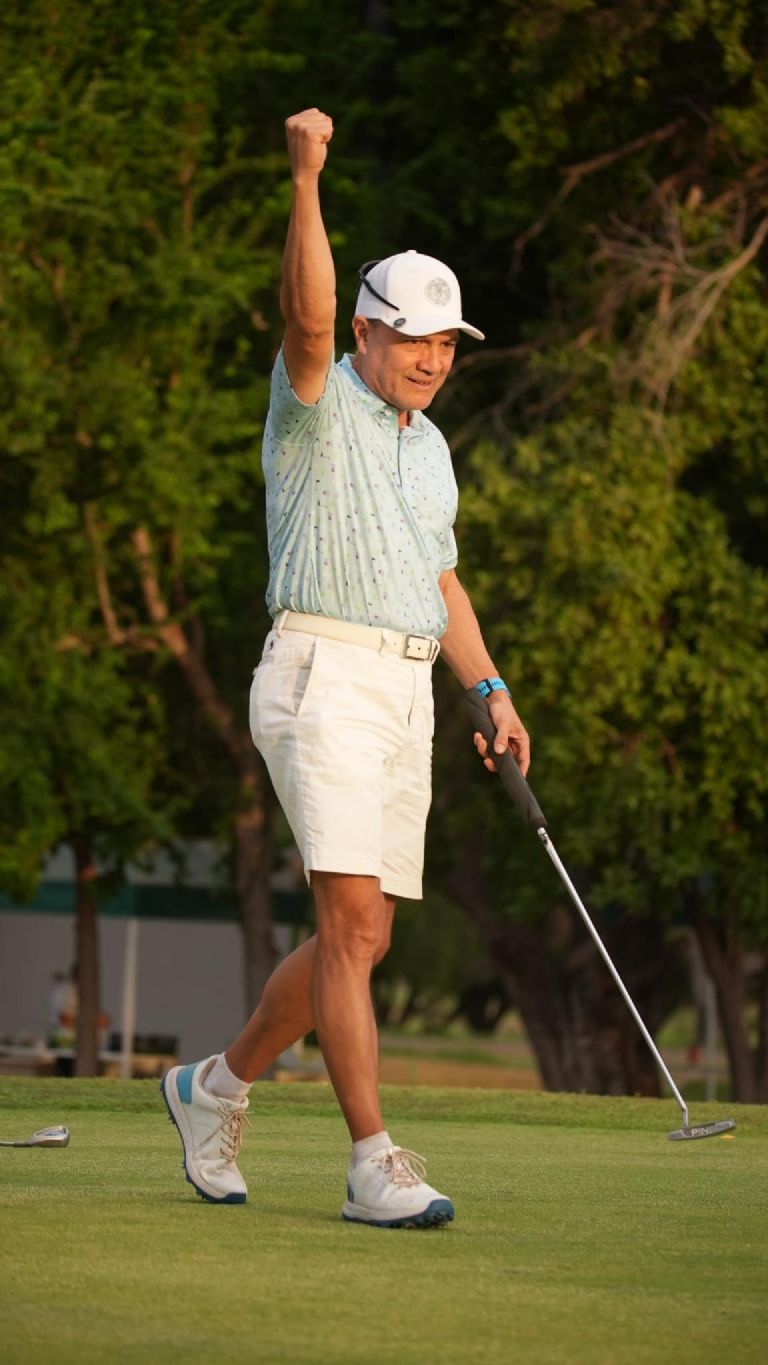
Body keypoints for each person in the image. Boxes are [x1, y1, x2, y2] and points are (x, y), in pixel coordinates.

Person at [161, 108, 530, 1229]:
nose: (431, 358)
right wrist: (306, 180)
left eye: (446, 343)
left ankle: (214, 1086)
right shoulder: (312, 405)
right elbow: (304, 316)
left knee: (357, 936)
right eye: (412, 338)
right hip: (318, 672)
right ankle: (374, 1159)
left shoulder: (432, 451)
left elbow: (442, 581)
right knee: (351, 908)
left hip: (406, 689)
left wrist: (493, 692)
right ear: (368, 334)